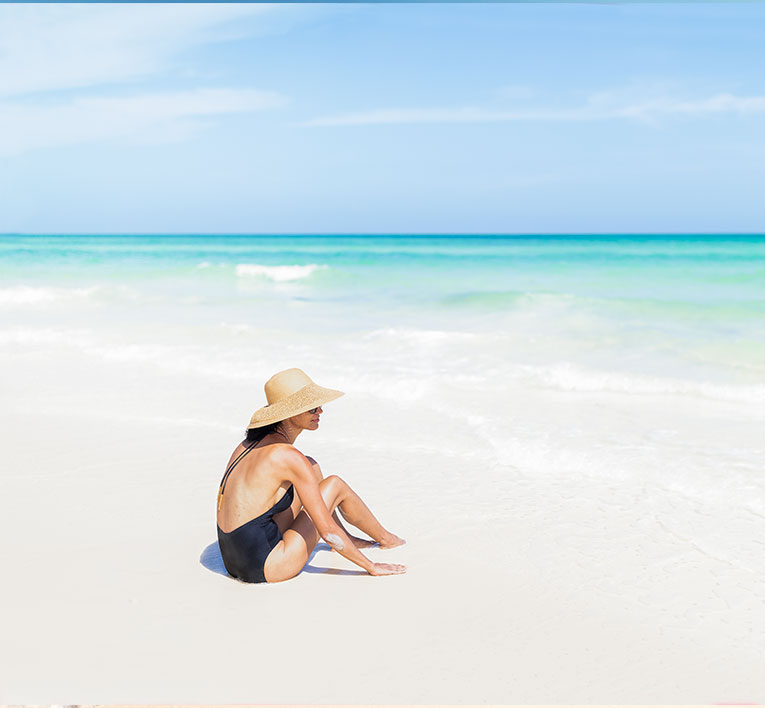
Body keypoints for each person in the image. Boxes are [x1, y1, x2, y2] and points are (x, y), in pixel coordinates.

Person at [216, 368, 406, 583]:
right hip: (265, 566)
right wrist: (370, 566)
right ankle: (387, 539)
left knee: (311, 466)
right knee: (335, 485)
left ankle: (349, 538)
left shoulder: (247, 445)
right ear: (289, 413)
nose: (320, 411)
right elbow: (326, 531)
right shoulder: (288, 456)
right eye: (312, 407)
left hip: (232, 559)